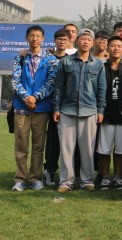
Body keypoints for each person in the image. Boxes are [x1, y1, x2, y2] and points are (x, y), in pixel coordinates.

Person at [53, 28, 106, 193]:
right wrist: (56, 108)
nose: (85, 42)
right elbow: (58, 87)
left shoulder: (98, 64)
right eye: (83, 39)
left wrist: (100, 110)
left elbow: (101, 89)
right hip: (67, 110)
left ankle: (87, 180)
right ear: (76, 41)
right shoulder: (66, 62)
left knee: (88, 149)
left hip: (89, 111)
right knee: (66, 149)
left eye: (89, 39)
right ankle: (66, 181)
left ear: (93, 43)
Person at [11, 26, 58, 192]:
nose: (34, 39)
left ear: (43, 38)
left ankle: (35, 178)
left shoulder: (51, 59)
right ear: (26, 38)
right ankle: (20, 179)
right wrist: (26, 97)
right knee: (21, 146)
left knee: (38, 146)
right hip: (21, 108)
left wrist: (35, 97)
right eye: (31, 36)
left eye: (38, 36)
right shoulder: (20, 58)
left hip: (41, 108)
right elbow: (15, 81)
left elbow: (51, 82)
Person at [97, 36, 122, 190]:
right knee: (104, 149)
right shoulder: (101, 67)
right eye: (113, 46)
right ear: (108, 48)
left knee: (121, 149)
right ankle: (105, 177)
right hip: (106, 115)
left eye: (119, 46)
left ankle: (118, 176)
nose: (116, 48)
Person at [43, 28, 70, 186]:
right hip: (45, 102)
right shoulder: (46, 58)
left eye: (64, 39)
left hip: (64, 105)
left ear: (69, 42)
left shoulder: (71, 60)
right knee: (50, 140)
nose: (61, 42)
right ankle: (49, 170)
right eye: (59, 39)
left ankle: (64, 172)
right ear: (54, 41)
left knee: (62, 141)